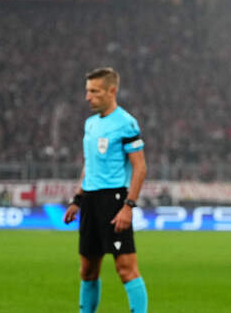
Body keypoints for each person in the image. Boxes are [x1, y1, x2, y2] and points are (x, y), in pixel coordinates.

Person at [63, 67, 148, 313]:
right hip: (89, 200)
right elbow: (89, 165)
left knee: (126, 269)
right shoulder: (89, 124)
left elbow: (140, 168)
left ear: (112, 91)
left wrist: (128, 207)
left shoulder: (126, 123)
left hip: (114, 201)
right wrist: (77, 199)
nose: (88, 97)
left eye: (94, 91)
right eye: (87, 91)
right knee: (87, 271)